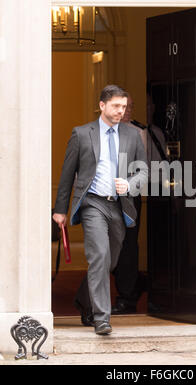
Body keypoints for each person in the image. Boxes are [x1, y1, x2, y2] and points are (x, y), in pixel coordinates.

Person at [53, 85, 148, 335]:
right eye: (116, 106)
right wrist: (60, 209)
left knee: (110, 260)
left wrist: (129, 183)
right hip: (92, 203)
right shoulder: (82, 134)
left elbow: (145, 172)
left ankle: (84, 299)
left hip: (119, 205)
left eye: (124, 106)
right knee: (99, 256)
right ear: (102, 105)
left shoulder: (132, 135)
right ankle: (101, 318)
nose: (121, 111)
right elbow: (67, 174)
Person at [111, 95, 147, 314]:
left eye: (130, 106)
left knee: (127, 245)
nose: (127, 110)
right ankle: (136, 283)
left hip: (129, 195)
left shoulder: (139, 133)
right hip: (104, 195)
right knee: (107, 245)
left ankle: (127, 296)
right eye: (122, 106)